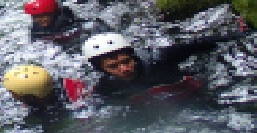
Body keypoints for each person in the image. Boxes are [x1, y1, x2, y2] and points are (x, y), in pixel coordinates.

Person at [82, 32, 239, 105]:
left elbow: (198, 44)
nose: (124, 69)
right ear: (102, 70)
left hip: (194, 90)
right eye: (114, 66)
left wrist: (241, 36)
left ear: (133, 57)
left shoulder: (159, 59)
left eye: (126, 61)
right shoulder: (105, 87)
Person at [24, 0, 110, 47]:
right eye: (34, 17)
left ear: (53, 13)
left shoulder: (69, 23)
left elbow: (95, 25)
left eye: (43, 16)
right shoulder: (36, 31)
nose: (38, 20)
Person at [2, 64, 87, 117]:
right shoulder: (70, 85)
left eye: (13, 93)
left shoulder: (39, 111)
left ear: (30, 98)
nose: (11, 94)